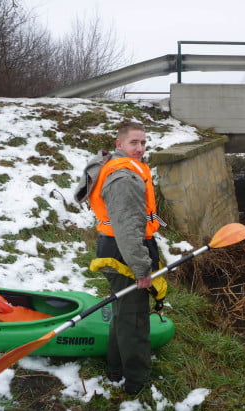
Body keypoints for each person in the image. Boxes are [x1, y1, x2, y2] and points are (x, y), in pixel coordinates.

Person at [79, 122, 165, 396]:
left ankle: (115, 369)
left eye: (143, 143)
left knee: (123, 312)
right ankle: (136, 381)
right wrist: (142, 269)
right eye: (133, 143)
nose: (140, 149)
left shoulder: (118, 167)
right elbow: (128, 230)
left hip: (115, 247)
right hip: (123, 252)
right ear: (119, 145)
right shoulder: (125, 178)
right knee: (135, 319)